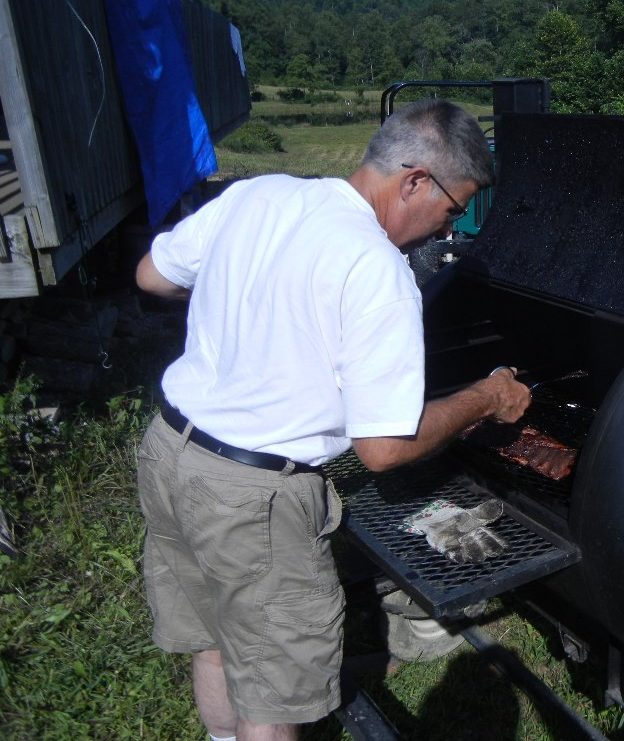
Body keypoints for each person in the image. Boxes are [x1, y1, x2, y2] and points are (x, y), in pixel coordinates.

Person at [134, 98, 531, 741]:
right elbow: (383, 449)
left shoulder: (259, 193)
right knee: (272, 693)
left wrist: (241, 303)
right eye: (452, 210)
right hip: (253, 500)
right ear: (415, 181)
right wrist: (486, 398)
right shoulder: (377, 269)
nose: (447, 230)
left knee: (216, 641)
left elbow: (153, 276)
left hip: (169, 454)